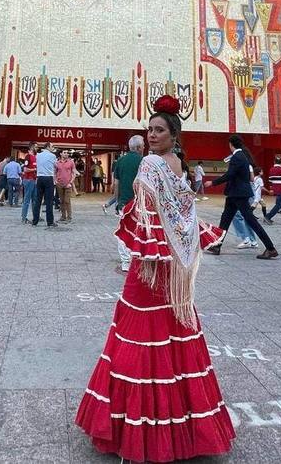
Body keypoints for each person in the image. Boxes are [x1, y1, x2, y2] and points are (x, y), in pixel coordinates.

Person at [75, 95, 236, 460]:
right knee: (173, 330)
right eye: (149, 129)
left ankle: (136, 427)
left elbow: (145, 211)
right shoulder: (179, 164)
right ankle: (182, 426)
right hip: (174, 261)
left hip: (151, 261)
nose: (151, 135)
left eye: (159, 130)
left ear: (173, 134)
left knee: (137, 331)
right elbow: (186, 213)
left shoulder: (151, 163)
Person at [205, 135, 278, 259]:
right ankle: (217, 245)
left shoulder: (237, 157)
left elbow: (230, 174)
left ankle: (270, 248)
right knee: (225, 219)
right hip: (235, 193)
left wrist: (213, 182)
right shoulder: (242, 156)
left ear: (231, 144)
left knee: (250, 220)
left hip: (238, 194)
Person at [111, 136, 144, 273]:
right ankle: (138, 259)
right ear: (138, 147)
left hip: (124, 202)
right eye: (143, 145)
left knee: (124, 231)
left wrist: (117, 202)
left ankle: (125, 262)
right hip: (140, 203)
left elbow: (116, 184)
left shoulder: (120, 161)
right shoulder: (143, 161)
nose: (144, 148)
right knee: (140, 231)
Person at [32, 142, 57, 228]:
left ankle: (35, 221)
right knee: (49, 201)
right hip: (48, 178)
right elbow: (56, 166)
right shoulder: (52, 156)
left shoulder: (38, 155)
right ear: (48, 147)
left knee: (38, 200)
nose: (53, 148)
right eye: (52, 146)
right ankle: (50, 222)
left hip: (39, 178)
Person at [55, 149, 76, 222]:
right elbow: (54, 172)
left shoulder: (71, 162)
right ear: (61, 154)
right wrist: (55, 181)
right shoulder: (57, 163)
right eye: (64, 152)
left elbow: (74, 173)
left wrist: (71, 182)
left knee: (67, 201)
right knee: (61, 201)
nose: (66, 154)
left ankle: (69, 217)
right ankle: (63, 217)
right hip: (59, 184)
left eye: (67, 153)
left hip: (68, 185)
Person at [21, 143, 37, 224]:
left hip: (33, 180)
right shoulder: (28, 156)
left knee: (35, 199)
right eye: (36, 147)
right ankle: (24, 218)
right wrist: (34, 170)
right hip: (28, 180)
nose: (37, 148)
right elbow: (25, 169)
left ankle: (36, 216)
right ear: (31, 147)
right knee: (27, 200)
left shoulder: (35, 157)